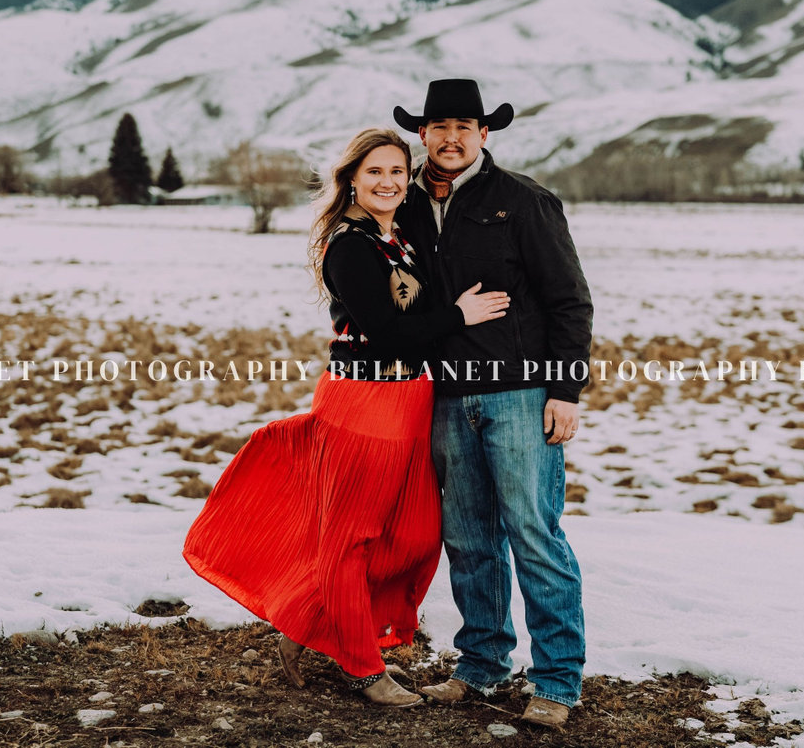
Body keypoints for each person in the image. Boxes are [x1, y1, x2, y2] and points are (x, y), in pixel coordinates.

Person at [183, 127, 510, 708]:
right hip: (362, 403)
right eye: (374, 172)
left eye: (396, 172)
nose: (388, 182)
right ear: (352, 180)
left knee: (413, 534)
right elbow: (385, 334)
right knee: (352, 537)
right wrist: (459, 315)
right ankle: (363, 668)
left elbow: (420, 318)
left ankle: (309, 618)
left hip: (413, 403)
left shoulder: (402, 237)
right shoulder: (350, 245)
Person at [394, 79, 594, 728]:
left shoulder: (524, 201)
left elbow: (570, 300)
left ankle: (558, 679)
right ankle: (481, 664)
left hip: (520, 393)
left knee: (534, 534)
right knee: (470, 538)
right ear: (422, 133)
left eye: (464, 126)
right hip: (447, 396)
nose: (451, 138)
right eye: (439, 126)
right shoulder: (408, 209)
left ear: (485, 134)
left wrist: (565, 390)